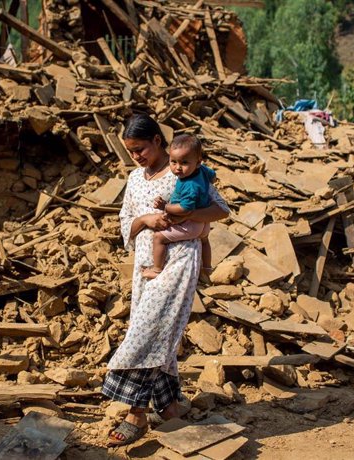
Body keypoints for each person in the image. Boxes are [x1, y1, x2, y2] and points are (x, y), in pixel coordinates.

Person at [102, 114, 229, 446]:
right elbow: (125, 222)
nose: (137, 157)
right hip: (145, 265)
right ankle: (170, 407)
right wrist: (145, 218)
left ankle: (136, 413)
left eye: (141, 149)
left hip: (178, 262)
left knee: (150, 330)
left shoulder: (184, 171)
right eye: (131, 152)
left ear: (158, 140)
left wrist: (186, 215)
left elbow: (219, 209)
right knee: (158, 332)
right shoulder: (133, 179)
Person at [141, 134, 215, 280]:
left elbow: (185, 209)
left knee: (158, 238)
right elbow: (213, 175)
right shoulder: (201, 170)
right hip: (203, 222)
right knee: (205, 240)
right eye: (173, 162)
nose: (177, 168)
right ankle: (207, 268)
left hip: (190, 224)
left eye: (184, 163)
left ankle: (156, 269)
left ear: (198, 162)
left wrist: (165, 206)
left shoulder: (190, 185)